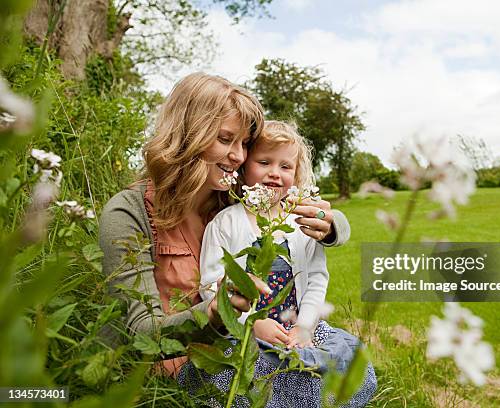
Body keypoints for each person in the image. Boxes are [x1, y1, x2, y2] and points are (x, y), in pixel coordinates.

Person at [98, 73, 375, 406]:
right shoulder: (128, 213)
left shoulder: (231, 199)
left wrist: (332, 228)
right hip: (185, 365)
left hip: (246, 344)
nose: (239, 156)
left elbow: (316, 226)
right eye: (225, 139)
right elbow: (141, 331)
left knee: (336, 367)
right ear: (188, 134)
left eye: (244, 144)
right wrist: (217, 314)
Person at [200, 121, 331, 349]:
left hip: (296, 333)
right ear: (243, 168)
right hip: (243, 333)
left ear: (296, 173)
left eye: (286, 167)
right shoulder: (225, 223)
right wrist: (251, 322)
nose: (274, 173)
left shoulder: (302, 224)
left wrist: (304, 326)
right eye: (263, 162)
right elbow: (210, 284)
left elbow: (317, 280)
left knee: (335, 364)